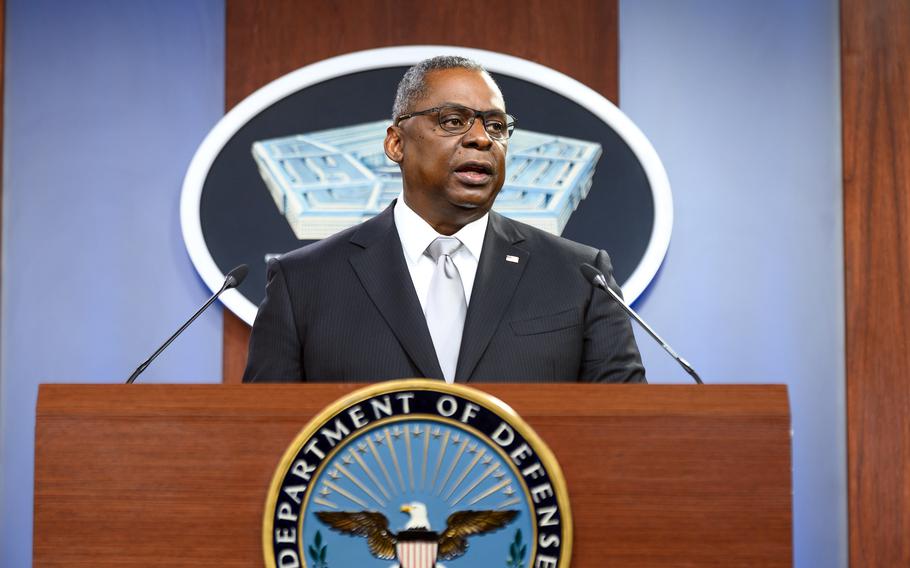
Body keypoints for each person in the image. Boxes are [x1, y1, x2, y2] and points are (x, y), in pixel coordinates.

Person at [242, 55, 645, 384]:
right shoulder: (304, 283)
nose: (482, 139)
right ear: (396, 143)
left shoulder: (580, 277)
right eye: (453, 121)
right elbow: (265, 439)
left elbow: (626, 430)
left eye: (496, 126)